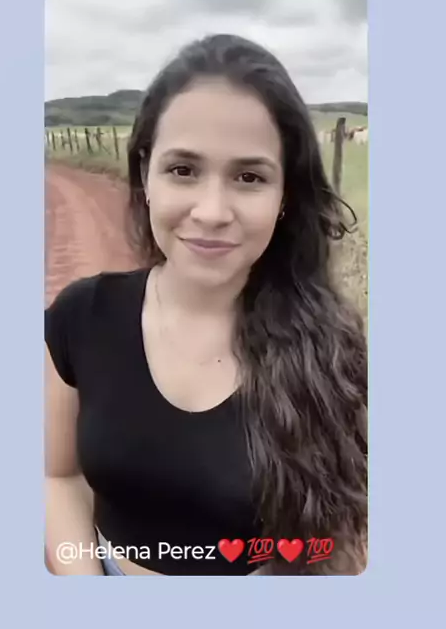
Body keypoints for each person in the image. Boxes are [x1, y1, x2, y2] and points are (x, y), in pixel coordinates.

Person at [45, 33, 367, 576]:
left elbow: (338, 546)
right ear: (145, 174)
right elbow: (58, 475)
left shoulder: (334, 352)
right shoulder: (80, 318)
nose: (212, 211)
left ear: (285, 195)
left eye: (249, 177)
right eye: (183, 170)